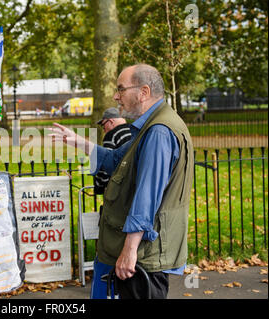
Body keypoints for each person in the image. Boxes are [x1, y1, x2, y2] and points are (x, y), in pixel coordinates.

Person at [49, 64, 194, 299]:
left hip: (143, 257)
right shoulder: (150, 126)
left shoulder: (158, 132)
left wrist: (129, 251)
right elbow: (117, 159)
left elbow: (147, 197)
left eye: (121, 89)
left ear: (143, 92)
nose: (116, 96)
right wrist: (77, 141)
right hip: (142, 254)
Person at [94, 107, 131, 195]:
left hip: (118, 187)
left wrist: (99, 186)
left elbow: (107, 162)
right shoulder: (135, 131)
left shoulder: (111, 135)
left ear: (111, 121)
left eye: (103, 125)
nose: (104, 130)